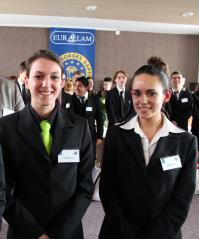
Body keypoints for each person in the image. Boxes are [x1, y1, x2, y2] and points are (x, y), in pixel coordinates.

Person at [0, 50, 94, 239]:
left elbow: (85, 187)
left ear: (62, 82)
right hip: (24, 231)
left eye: (54, 77)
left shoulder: (80, 127)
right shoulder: (6, 128)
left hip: (68, 231)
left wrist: (59, 233)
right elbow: (2, 189)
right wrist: (36, 233)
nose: (46, 84)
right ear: (26, 81)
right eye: (38, 76)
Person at [99, 63, 197, 239]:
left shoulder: (186, 142)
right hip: (118, 232)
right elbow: (108, 191)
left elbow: (181, 200)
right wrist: (129, 233)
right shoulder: (116, 135)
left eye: (151, 93)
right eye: (137, 93)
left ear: (166, 95)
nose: (143, 101)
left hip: (165, 234)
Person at [62, 76, 104, 162]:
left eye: (79, 86)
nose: (76, 88)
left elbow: (100, 119)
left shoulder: (95, 99)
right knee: (76, 160)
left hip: (90, 134)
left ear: (86, 87)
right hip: (74, 135)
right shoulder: (70, 99)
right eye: (75, 85)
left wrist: (100, 136)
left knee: (89, 159)